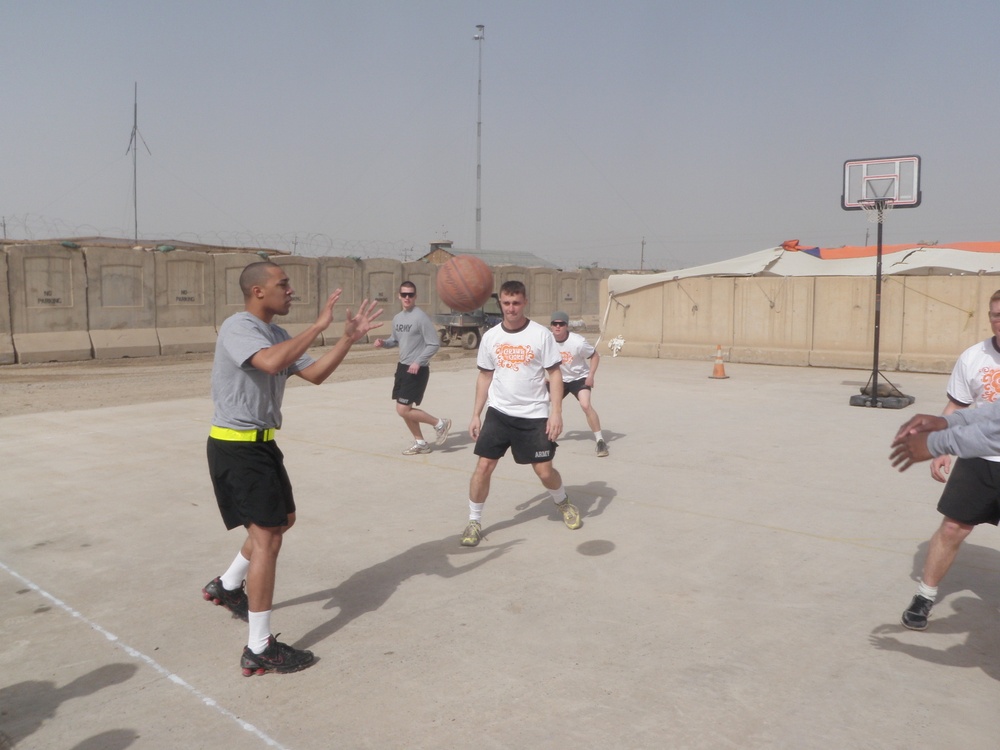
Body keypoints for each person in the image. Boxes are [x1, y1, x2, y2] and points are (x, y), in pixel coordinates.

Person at [202, 261, 382, 676]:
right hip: (236, 447)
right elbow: (267, 363)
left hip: (262, 446)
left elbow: (314, 373)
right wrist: (317, 327)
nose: (291, 291)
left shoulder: (279, 334)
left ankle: (227, 585)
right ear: (257, 292)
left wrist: (347, 339)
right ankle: (259, 648)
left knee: (282, 521)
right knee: (267, 539)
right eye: (283, 284)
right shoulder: (238, 327)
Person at [891, 291, 1000, 630]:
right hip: (978, 457)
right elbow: (966, 408)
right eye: (995, 314)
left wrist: (940, 439)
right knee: (953, 526)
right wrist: (942, 445)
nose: (999, 320)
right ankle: (925, 594)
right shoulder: (973, 357)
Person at [460, 280, 582, 547]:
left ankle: (562, 501)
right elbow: (484, 376)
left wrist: (556, 412)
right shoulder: (491, 337)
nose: (511, 308)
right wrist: (475, 414)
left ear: (524, 302)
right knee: (483, 466)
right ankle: (473, 521)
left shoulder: (540, 335)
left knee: (544, 471)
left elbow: (554, 373)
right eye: (506, 303)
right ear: (500, 303)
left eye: (516, 303)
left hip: (534, 414)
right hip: (499, 412)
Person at [373, 281, 451, 454]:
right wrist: (383, 343)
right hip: (403, 368)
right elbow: (395, 340)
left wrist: (418, 361)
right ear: (399, 296)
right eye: (404, 294)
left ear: (415, 296)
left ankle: (440, 423)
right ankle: (420, 442)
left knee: (402, 409)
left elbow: (433, 344)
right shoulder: (398, 318)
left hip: (417, 369)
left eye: (410, 294)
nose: (407, 298)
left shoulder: (420, 317)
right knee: (405, 410)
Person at [549, 310, 609, 457]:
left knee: (585, 404)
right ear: (551, 326)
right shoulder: (547, 341)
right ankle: (546, 437)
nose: (558, 327)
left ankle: (600, 440)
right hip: (560, 379)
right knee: (542, 402)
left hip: (579, 377)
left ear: (566, 326)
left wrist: (591, 376)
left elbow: (594, 355)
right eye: (554, 324)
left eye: (561, 324)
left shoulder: (578, 342)